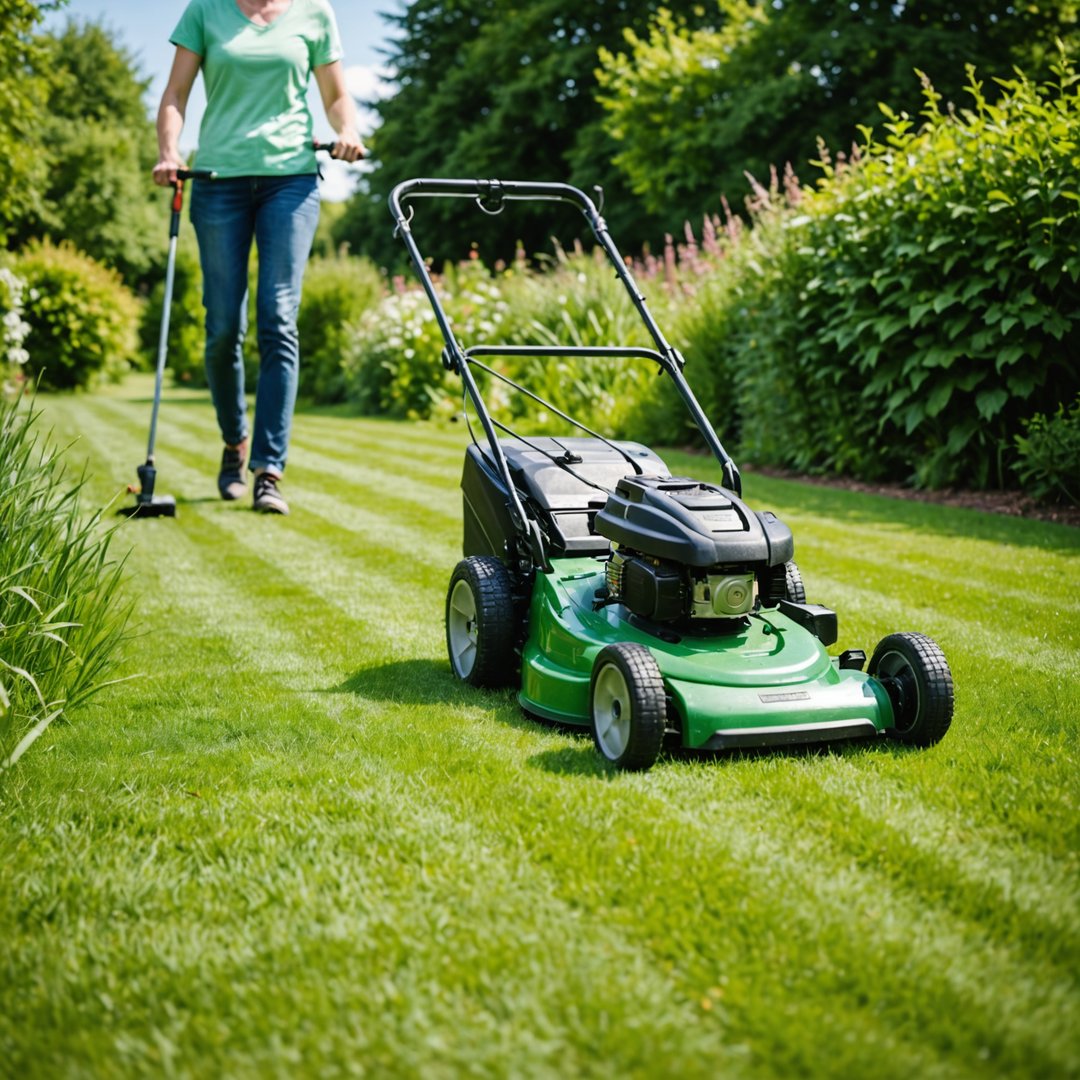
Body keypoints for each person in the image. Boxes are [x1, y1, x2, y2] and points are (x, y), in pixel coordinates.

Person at [153, 0, 364, 515]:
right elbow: (176, 94)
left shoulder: (314, 13)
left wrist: (348, 130)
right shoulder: (206, 10)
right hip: (218, 182)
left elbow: (336, 96)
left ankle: (269, 470)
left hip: (290, 181)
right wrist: (169, 151)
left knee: (278, 316)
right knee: (223, 325)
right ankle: (235, 441)